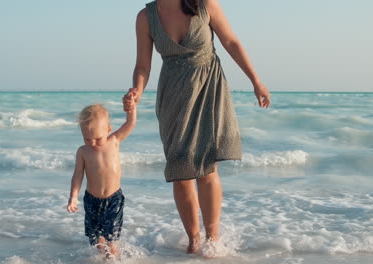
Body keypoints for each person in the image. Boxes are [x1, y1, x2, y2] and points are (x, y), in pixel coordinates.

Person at [123, 0, 271, 254]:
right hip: (173, 98)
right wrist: (136, 90)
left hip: (208, 91)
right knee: (180, 172)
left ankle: (212, 240)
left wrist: (256, 81)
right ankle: (193, 240)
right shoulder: (146, 17)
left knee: (206, 168)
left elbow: (231, 43)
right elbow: (142, 65)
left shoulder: (204, 5)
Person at [66, 98, 136, 257]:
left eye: (97, 138)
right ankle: (103, 258)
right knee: (97, 238)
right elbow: (77, 175)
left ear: (108, 129)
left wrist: (131, 109)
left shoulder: (114, 140)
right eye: (87, 138)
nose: (92, 143)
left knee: (112, 236)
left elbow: (130, 124)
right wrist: (73, 196)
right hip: (92, 201)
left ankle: (114, 257)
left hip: (113, 199)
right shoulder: (83, 152)